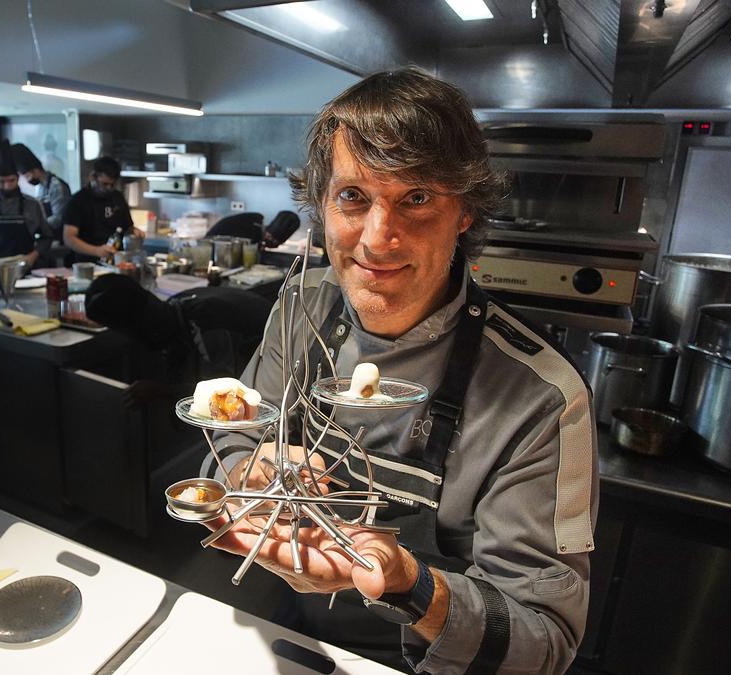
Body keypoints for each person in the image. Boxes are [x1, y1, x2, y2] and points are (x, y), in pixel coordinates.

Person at [201, 69, 597, 675]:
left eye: (416, 198)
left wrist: (408, 583)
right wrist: (247, 468)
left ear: (464, 211)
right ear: (322, 203)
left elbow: (542, 644)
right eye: (353, 197)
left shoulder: (541, 398)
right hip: (295, 637)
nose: (378, 240)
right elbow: (237, 425)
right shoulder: (302, 303)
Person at [85, 273, 272, 407]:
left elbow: (225, 393)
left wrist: (162, 391)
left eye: (127, 331)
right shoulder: (177, 305)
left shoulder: (207, 319)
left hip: (282, 374)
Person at [0, 140, 51, 267]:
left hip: (29, 265)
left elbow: (46, 237)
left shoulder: (32, 205)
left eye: (11, 181)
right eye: (2, 182)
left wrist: (33, 256)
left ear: (18, 178)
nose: (7, 186)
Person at [61, 156, 144, 263]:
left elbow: (128, 227)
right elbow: (69, 238)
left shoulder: (117, 197)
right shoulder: (78, 201)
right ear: (93, 177)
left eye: (112, 185)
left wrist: (135, 232)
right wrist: (96, 251)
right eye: (104, 184)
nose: (108, 188)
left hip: (116, 260)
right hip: (87, 262)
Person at [11, 142, 71, 234]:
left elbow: (59, 218)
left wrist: (35, 225)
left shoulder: (56, 186)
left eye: (26, 176)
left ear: (36, 170)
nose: (26, 180)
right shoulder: (40, 187)